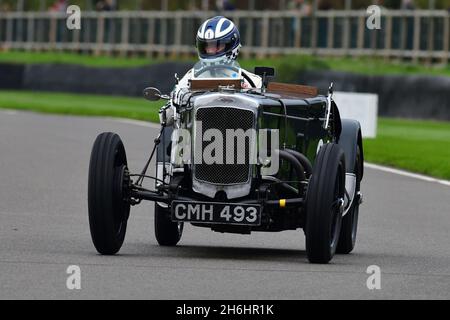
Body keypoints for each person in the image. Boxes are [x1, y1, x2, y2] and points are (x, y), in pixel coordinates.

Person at [171, 16, 262, 109]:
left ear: (231, 45)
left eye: (217, 46)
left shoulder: (253, 82)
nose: (210, 50)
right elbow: (171, 114)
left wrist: (246, 94)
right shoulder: (188, 80)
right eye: (207, 46)